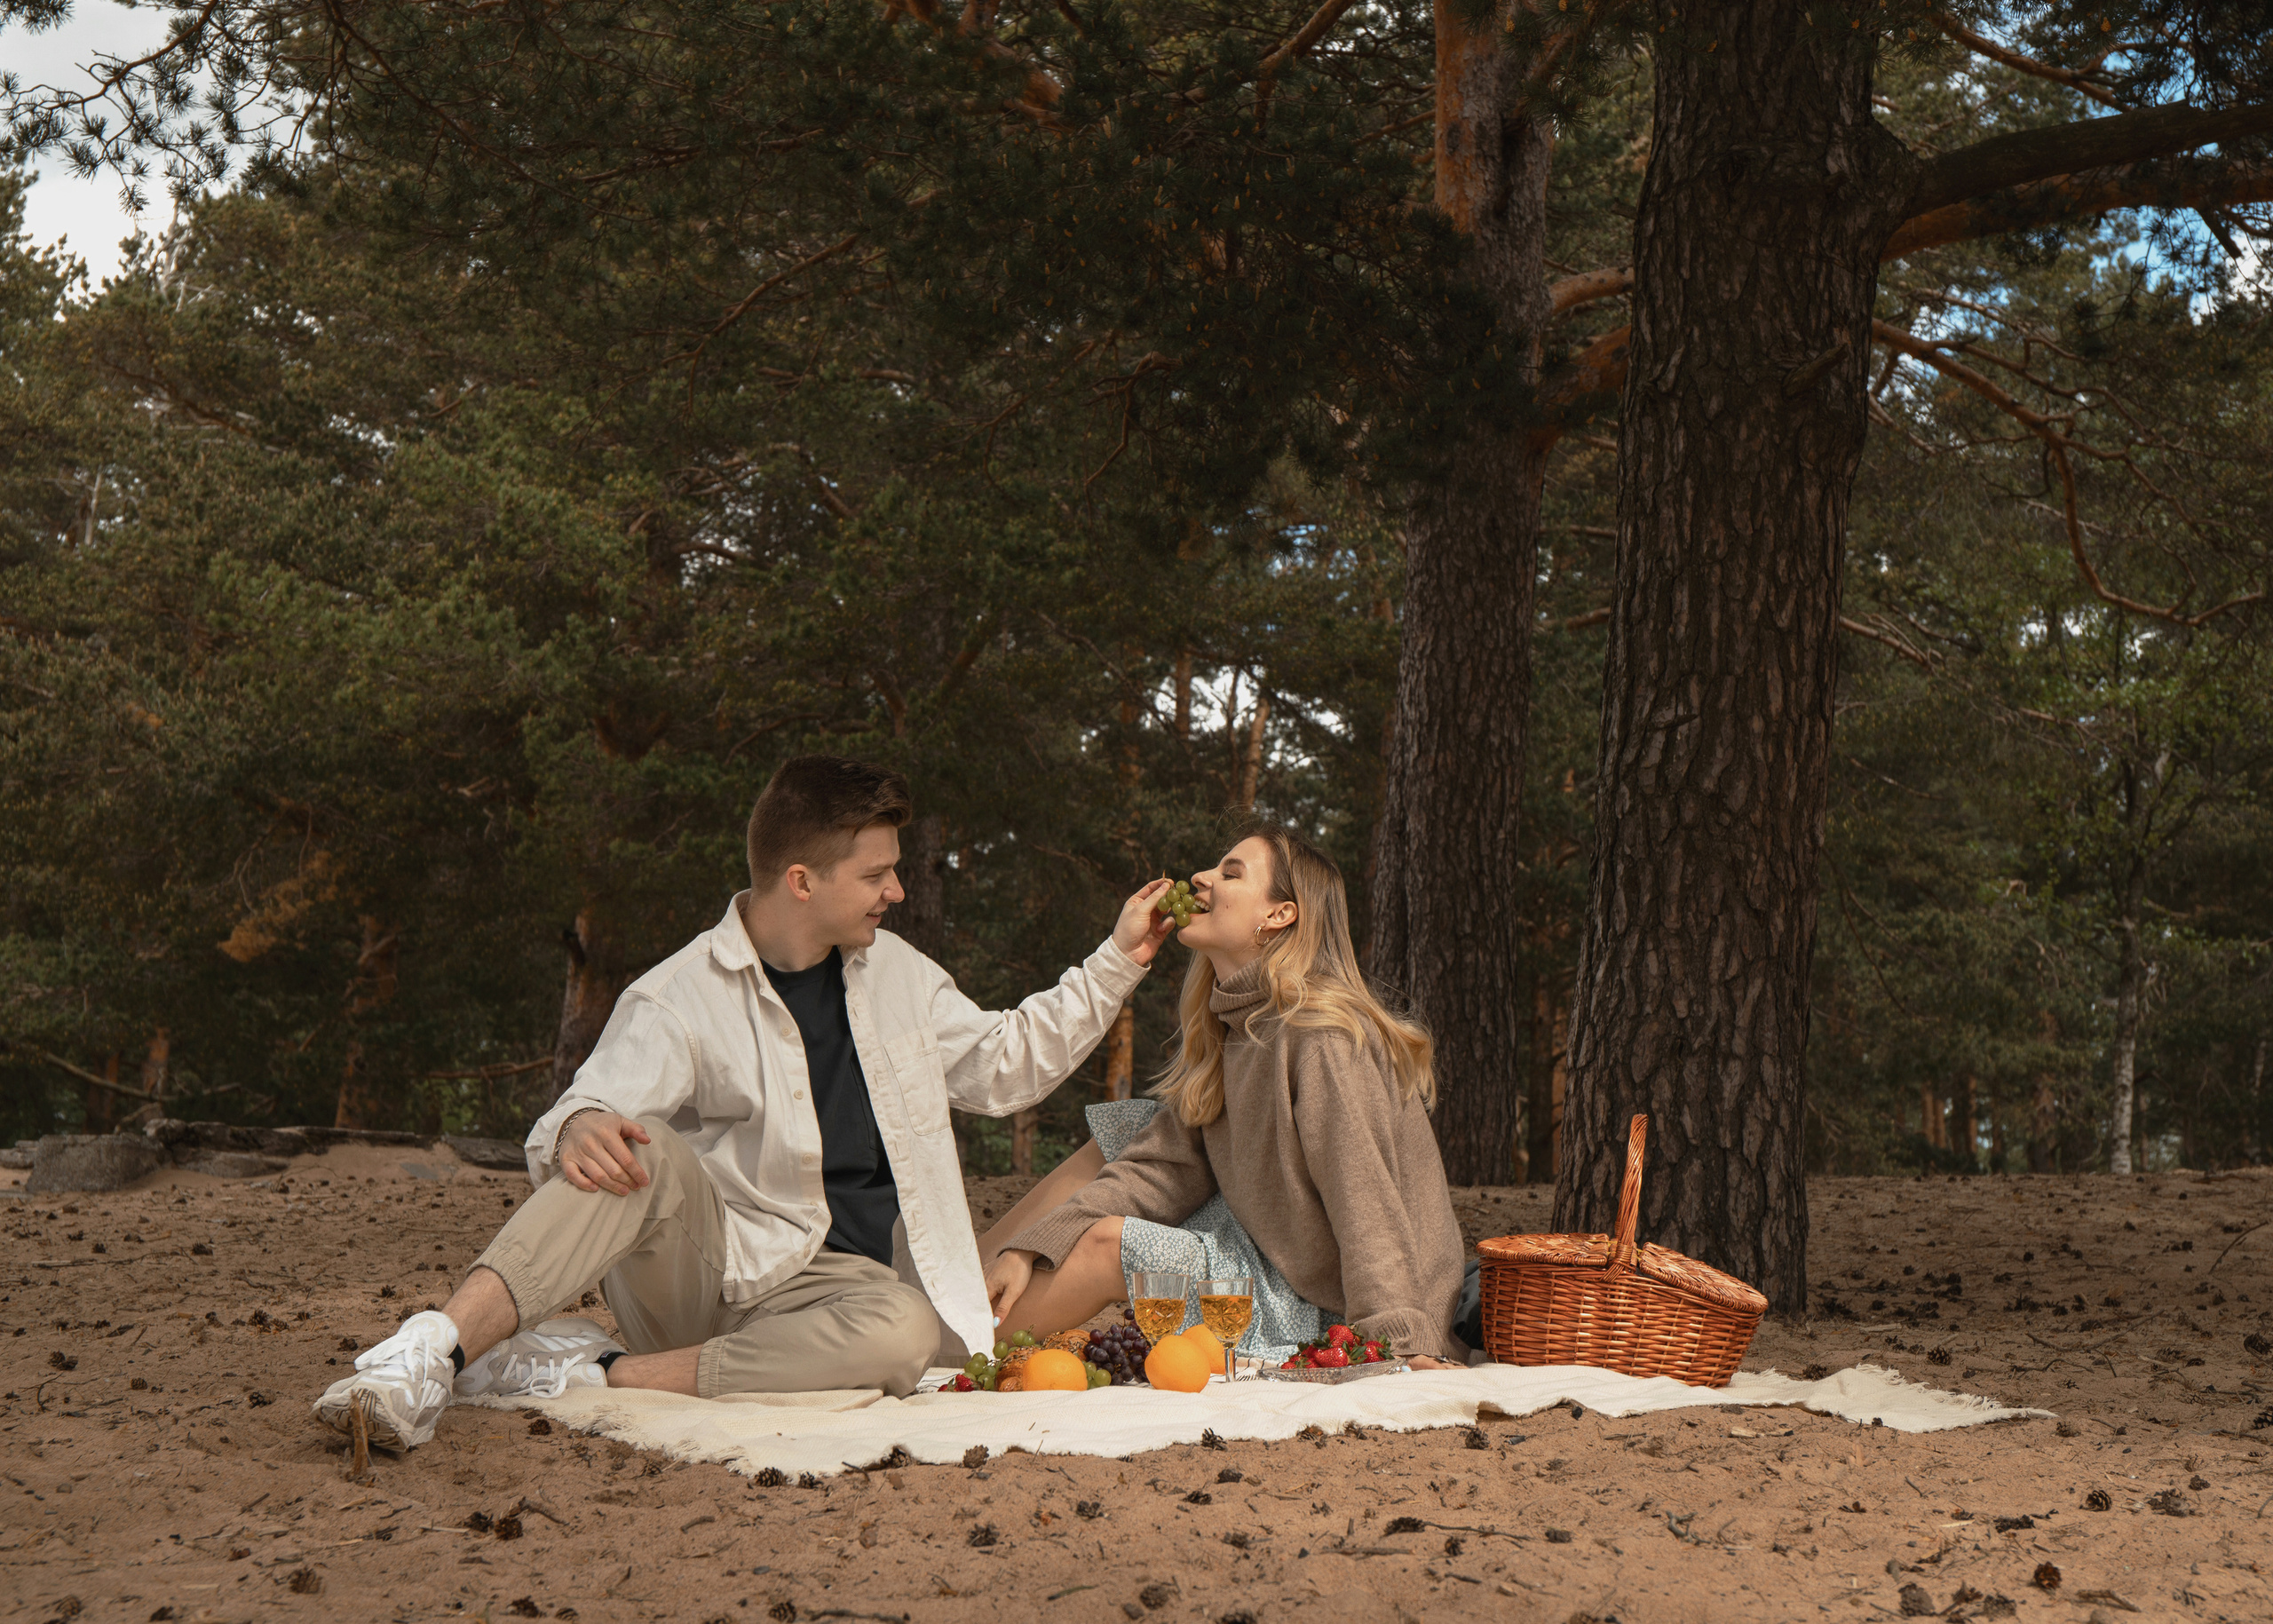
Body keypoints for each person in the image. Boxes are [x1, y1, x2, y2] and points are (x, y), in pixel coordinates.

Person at [314, 755, 1176, 1451]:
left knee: (906, 1329)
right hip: (709, 1274)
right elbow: (589, 1108)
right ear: (801, 880)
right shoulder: (679, 993)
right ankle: (431, 1348)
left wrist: (1119, 958)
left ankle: (597, 1372)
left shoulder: (900, 976)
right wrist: (581, 1122)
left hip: (836, 1295)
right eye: (876, 873)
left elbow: (1005, 1066)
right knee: (630, 1138)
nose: (897, 892)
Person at [981, 825, 1469, 1368]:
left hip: (1324, 1307)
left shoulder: (1323, 1038)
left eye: (1230, 873)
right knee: (1130, 1135)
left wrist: (1394, 1342)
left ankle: (956, 1339)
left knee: (1110, 1243)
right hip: (1261, 1252)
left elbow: (1366, 1199)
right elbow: (1154, 1173)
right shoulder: (1233, 1035)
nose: (1200, 879)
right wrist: (1029, 1246)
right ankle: (966, 1286)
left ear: (1280, 914)